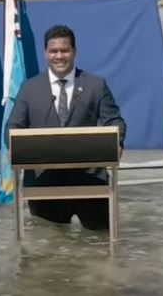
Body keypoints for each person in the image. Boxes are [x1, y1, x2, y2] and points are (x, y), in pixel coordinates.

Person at [7, 24, 126, 230]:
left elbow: (114, 121)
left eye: (64, 50)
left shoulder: (95, 85)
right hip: (44, 183)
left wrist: (118, 142)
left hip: (90, 181)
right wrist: (13, 146)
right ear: (45, 53)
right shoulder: (29, 88)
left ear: (74, 52)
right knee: (50, 249)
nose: (59, 56)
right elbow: (13, 126)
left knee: (99, 245)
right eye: (53, 51)